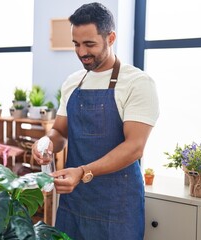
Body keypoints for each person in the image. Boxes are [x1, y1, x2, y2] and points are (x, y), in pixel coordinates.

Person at [32, 2, 159, 240]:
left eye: (89, 44)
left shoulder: (137, 83)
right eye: (76, 44)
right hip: (73, 205)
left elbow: (134, 147)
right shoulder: (73, 82)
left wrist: (82, 172)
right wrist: (47, 144)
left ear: (110, 38)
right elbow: (60, 132)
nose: (81, 52)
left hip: (117, 208)